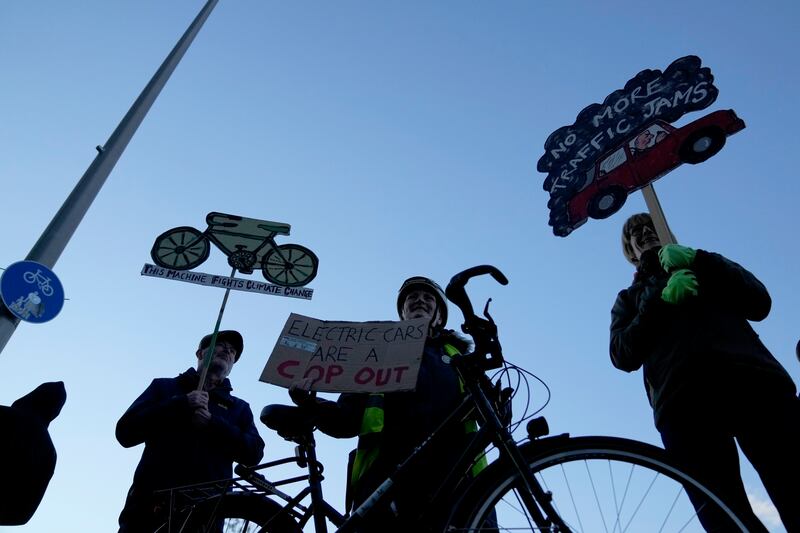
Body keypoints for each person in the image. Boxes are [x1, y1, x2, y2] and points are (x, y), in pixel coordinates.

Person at [610, 213, 800, 531]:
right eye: (634, 233)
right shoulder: (627, 299)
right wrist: (659, 297)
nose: (643, 233)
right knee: (723, 515)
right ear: (630, 251)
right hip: (682, 405)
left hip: (752, 381)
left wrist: (700, 260)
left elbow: (759, 302)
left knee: (795, 483)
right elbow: (622, 354)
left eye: (650, 226)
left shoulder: (702, 264)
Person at [290, 276, 487, 532]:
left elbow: (488, 412)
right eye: (412, 298)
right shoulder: (377, 353)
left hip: (454, 480)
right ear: (403, 313)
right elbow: (347, 418)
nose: (420, 301)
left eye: (429, 298)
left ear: (440, 317)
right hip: (387, 481)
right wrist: (310, 403)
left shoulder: (460, 359)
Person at [116, 330, 265, 533]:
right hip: (149, 508)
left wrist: (213, 424)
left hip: (206, 516)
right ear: (200, 353)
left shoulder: (239, 408)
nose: (227, 351)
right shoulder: (164, 387)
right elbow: (125, 432)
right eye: (220, 345)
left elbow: (254, 453)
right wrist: (180, 404)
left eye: (232, 351)